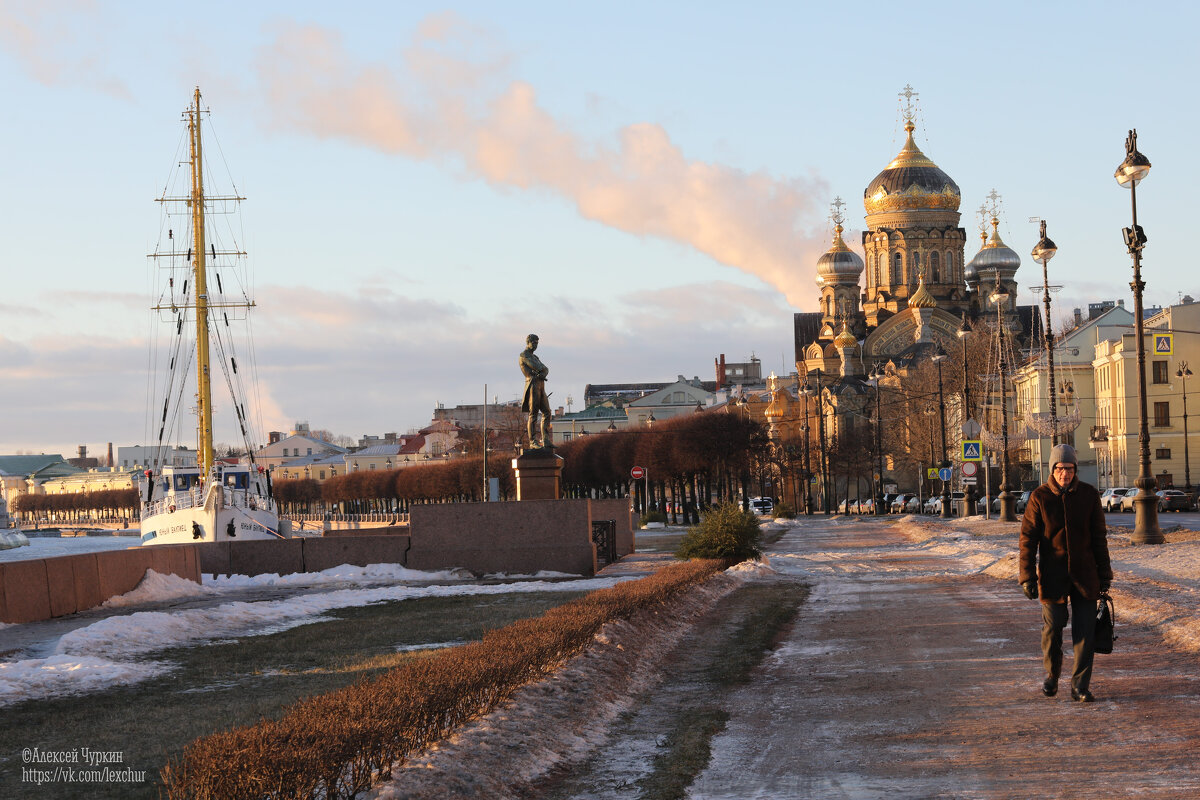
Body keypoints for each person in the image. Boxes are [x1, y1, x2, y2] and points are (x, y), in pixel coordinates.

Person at [1018, 443, 1113, 702]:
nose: (1065, 474)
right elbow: (1028, 540)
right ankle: (1052, 674)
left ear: (1075, 470)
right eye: (1060, 468)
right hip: (1052, 577)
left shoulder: (1089, 495)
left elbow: (1099, 538)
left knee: (1085, 633)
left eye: (1069, 468)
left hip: (1085, 576)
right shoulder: (1040, 497)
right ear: (1053, 469)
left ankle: (1080, 686)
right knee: (1053, 628)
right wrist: (1027, 577)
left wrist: (1105, 575)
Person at [519, 334, 552, 450]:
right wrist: (541, 371)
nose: (536, 345)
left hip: (540, 386)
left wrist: (543, 372)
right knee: (533, 414)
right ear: (528, 342)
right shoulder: (524, 355)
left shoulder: (535, 356)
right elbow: (537, 367)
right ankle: (533, 441)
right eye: (534, 343)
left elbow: (546, 369)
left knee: (547, 412)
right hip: (532, 385)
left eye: (537, 343)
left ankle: (546, 440)